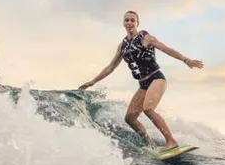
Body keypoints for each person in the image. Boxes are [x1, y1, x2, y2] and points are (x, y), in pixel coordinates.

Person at [78, 10, 204, 151]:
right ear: (123, 23)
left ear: (137, 23)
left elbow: (167, 49)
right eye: (127, 20)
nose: (130, 22)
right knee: (130, 118)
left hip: (156, 78)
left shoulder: (146, 37)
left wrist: (186, 60)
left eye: (133, 20)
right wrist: (93, 81)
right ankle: (149, 143)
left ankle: (171, 141)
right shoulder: (123, 45)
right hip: (143, 84)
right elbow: (111, 67)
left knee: (148, 109)